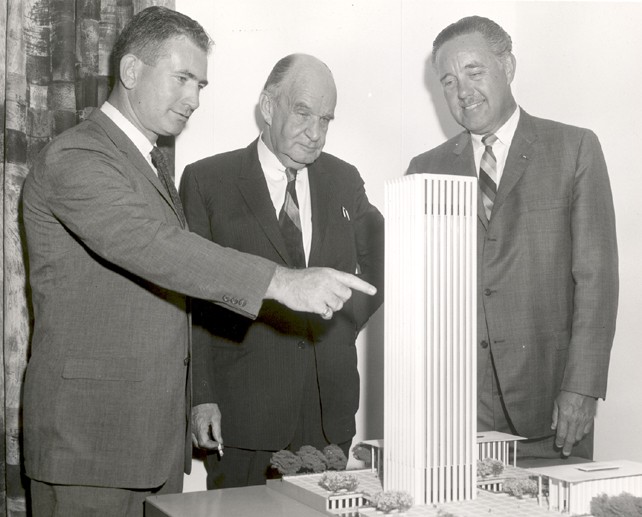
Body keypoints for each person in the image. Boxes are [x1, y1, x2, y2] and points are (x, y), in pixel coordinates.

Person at [21, 9, 376, 517]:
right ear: (131, 72)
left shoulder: (146, 163)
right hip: (91, 446)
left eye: (201, 84)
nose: (194, 99)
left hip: (148, 443)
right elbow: (156, 247)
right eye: (183, 78)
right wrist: (282, 282)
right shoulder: (78, 157)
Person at [407, 16, 618, 462]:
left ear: (508, 66)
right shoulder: (424, 168)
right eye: (448, 80)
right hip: (455, 416)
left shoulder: (574, 149)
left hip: (552, 412)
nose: (462, 91)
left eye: (474, 72)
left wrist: (581, 387)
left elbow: (597, 280)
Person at [180, 53, 385, 488]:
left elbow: (383, 260)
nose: (316, 134)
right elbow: (191, 299)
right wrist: (202, 398)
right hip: (244, 415)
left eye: (326, 120)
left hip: (329, 413)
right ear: (269, 106)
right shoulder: (206, 181)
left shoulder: (344, 179)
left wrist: (341, 323)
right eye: (303, 112)